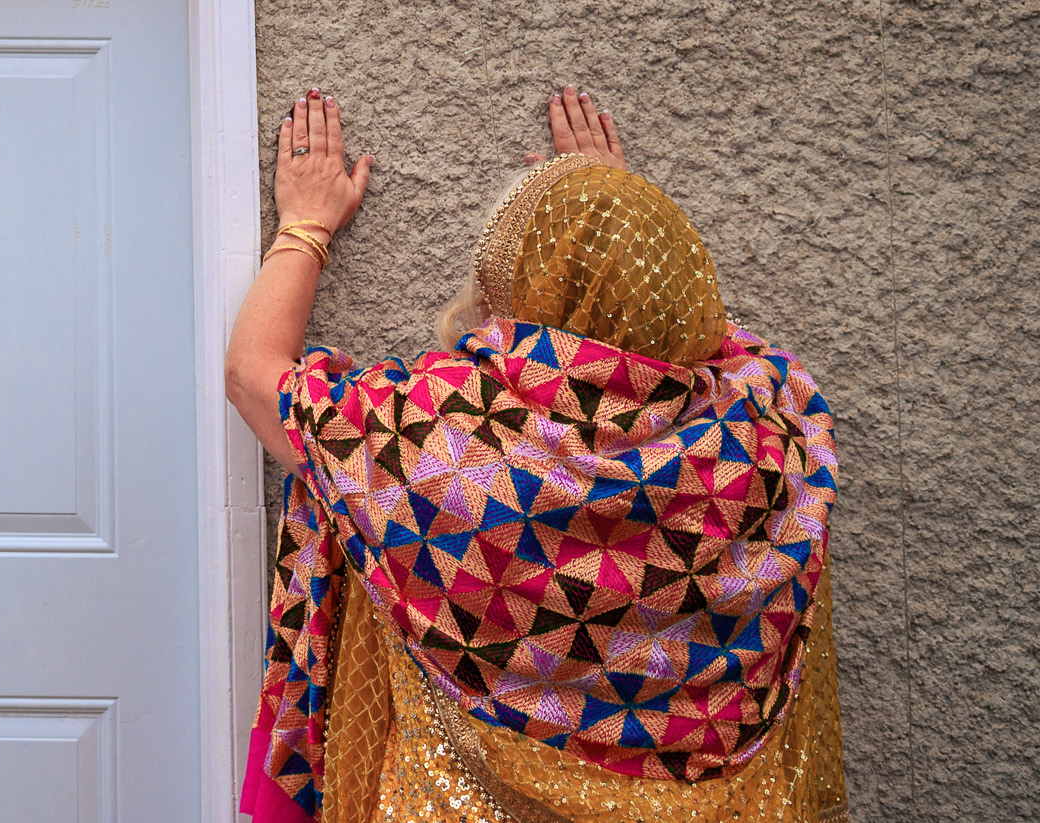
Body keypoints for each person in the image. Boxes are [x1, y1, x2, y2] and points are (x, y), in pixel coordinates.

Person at [226, 88, 847, 823]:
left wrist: (304, 227)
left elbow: (255, 375)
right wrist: (619, 244)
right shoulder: (763, 439)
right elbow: (718, 337)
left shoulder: (440, 443)